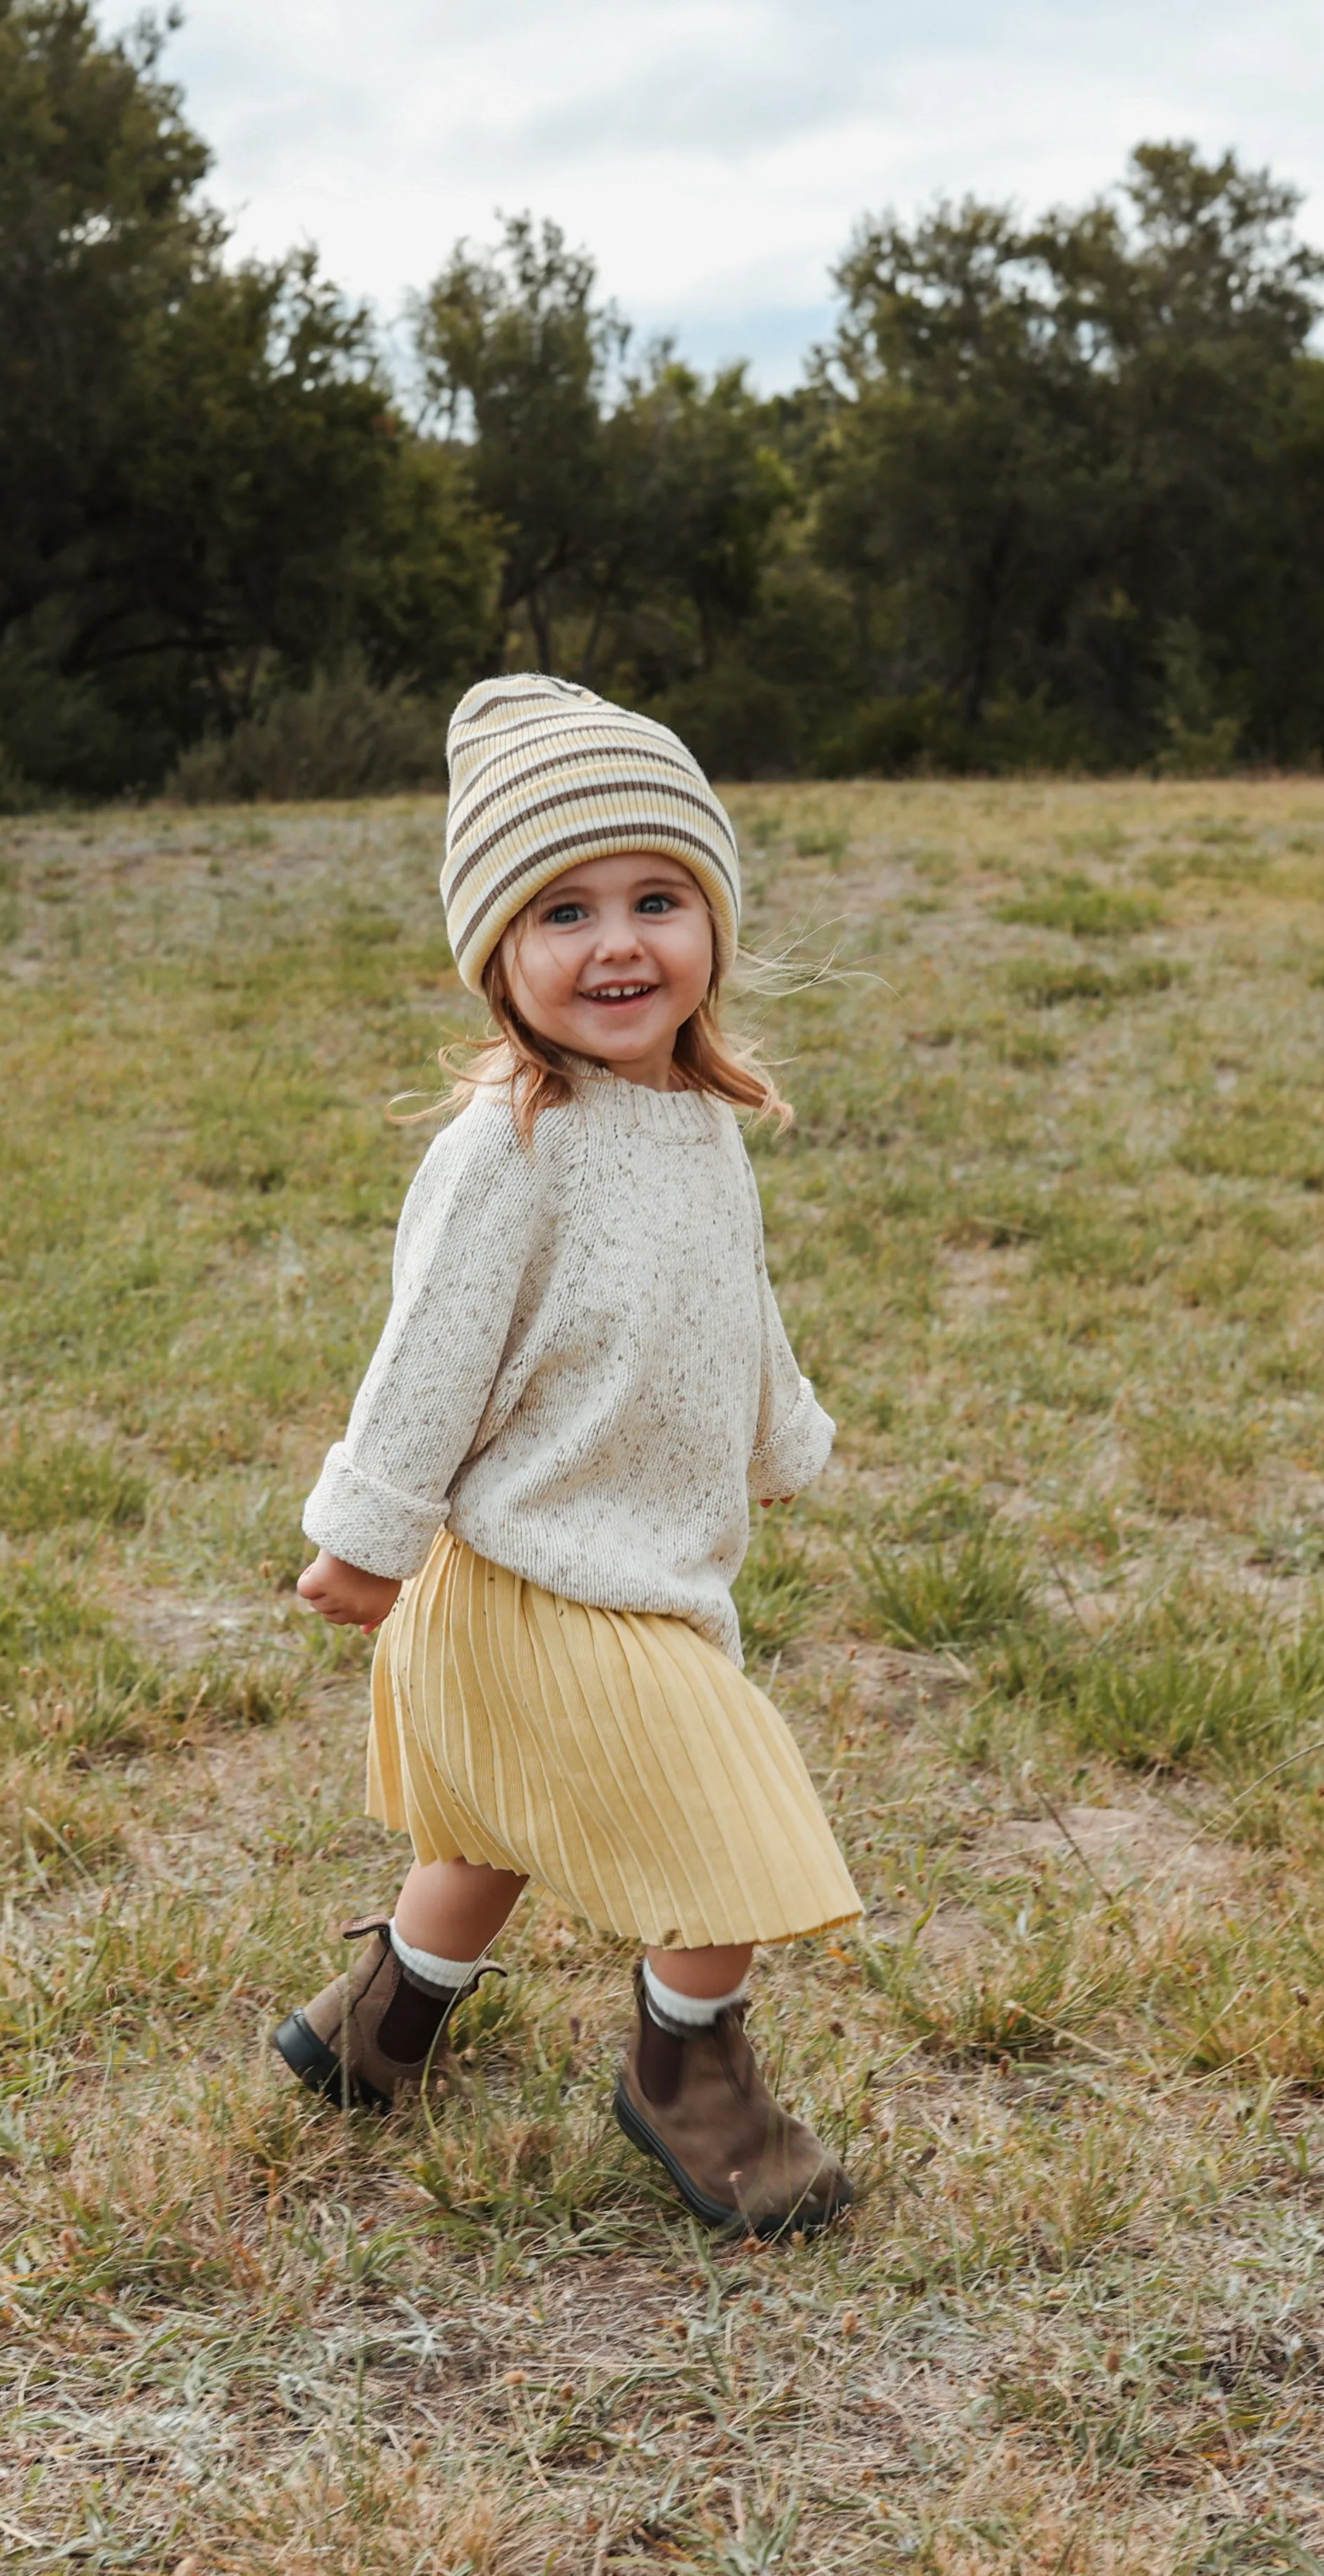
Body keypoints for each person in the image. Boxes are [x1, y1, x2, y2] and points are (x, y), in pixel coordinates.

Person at [275, 672, 863, 2240]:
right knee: (731, 1830)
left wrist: (779, 1432)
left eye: (656, 898)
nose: (617, 945)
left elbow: (732, 1305)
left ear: (713, 924)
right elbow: (427, 1362)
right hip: (536, 1581)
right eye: (560, 913)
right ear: (497, 957)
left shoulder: (700, 1116)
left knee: (486, 1843)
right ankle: (689, 2081)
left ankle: (370, 2033)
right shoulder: (509, 1148)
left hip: (643, 1567)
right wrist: (366, 1532)